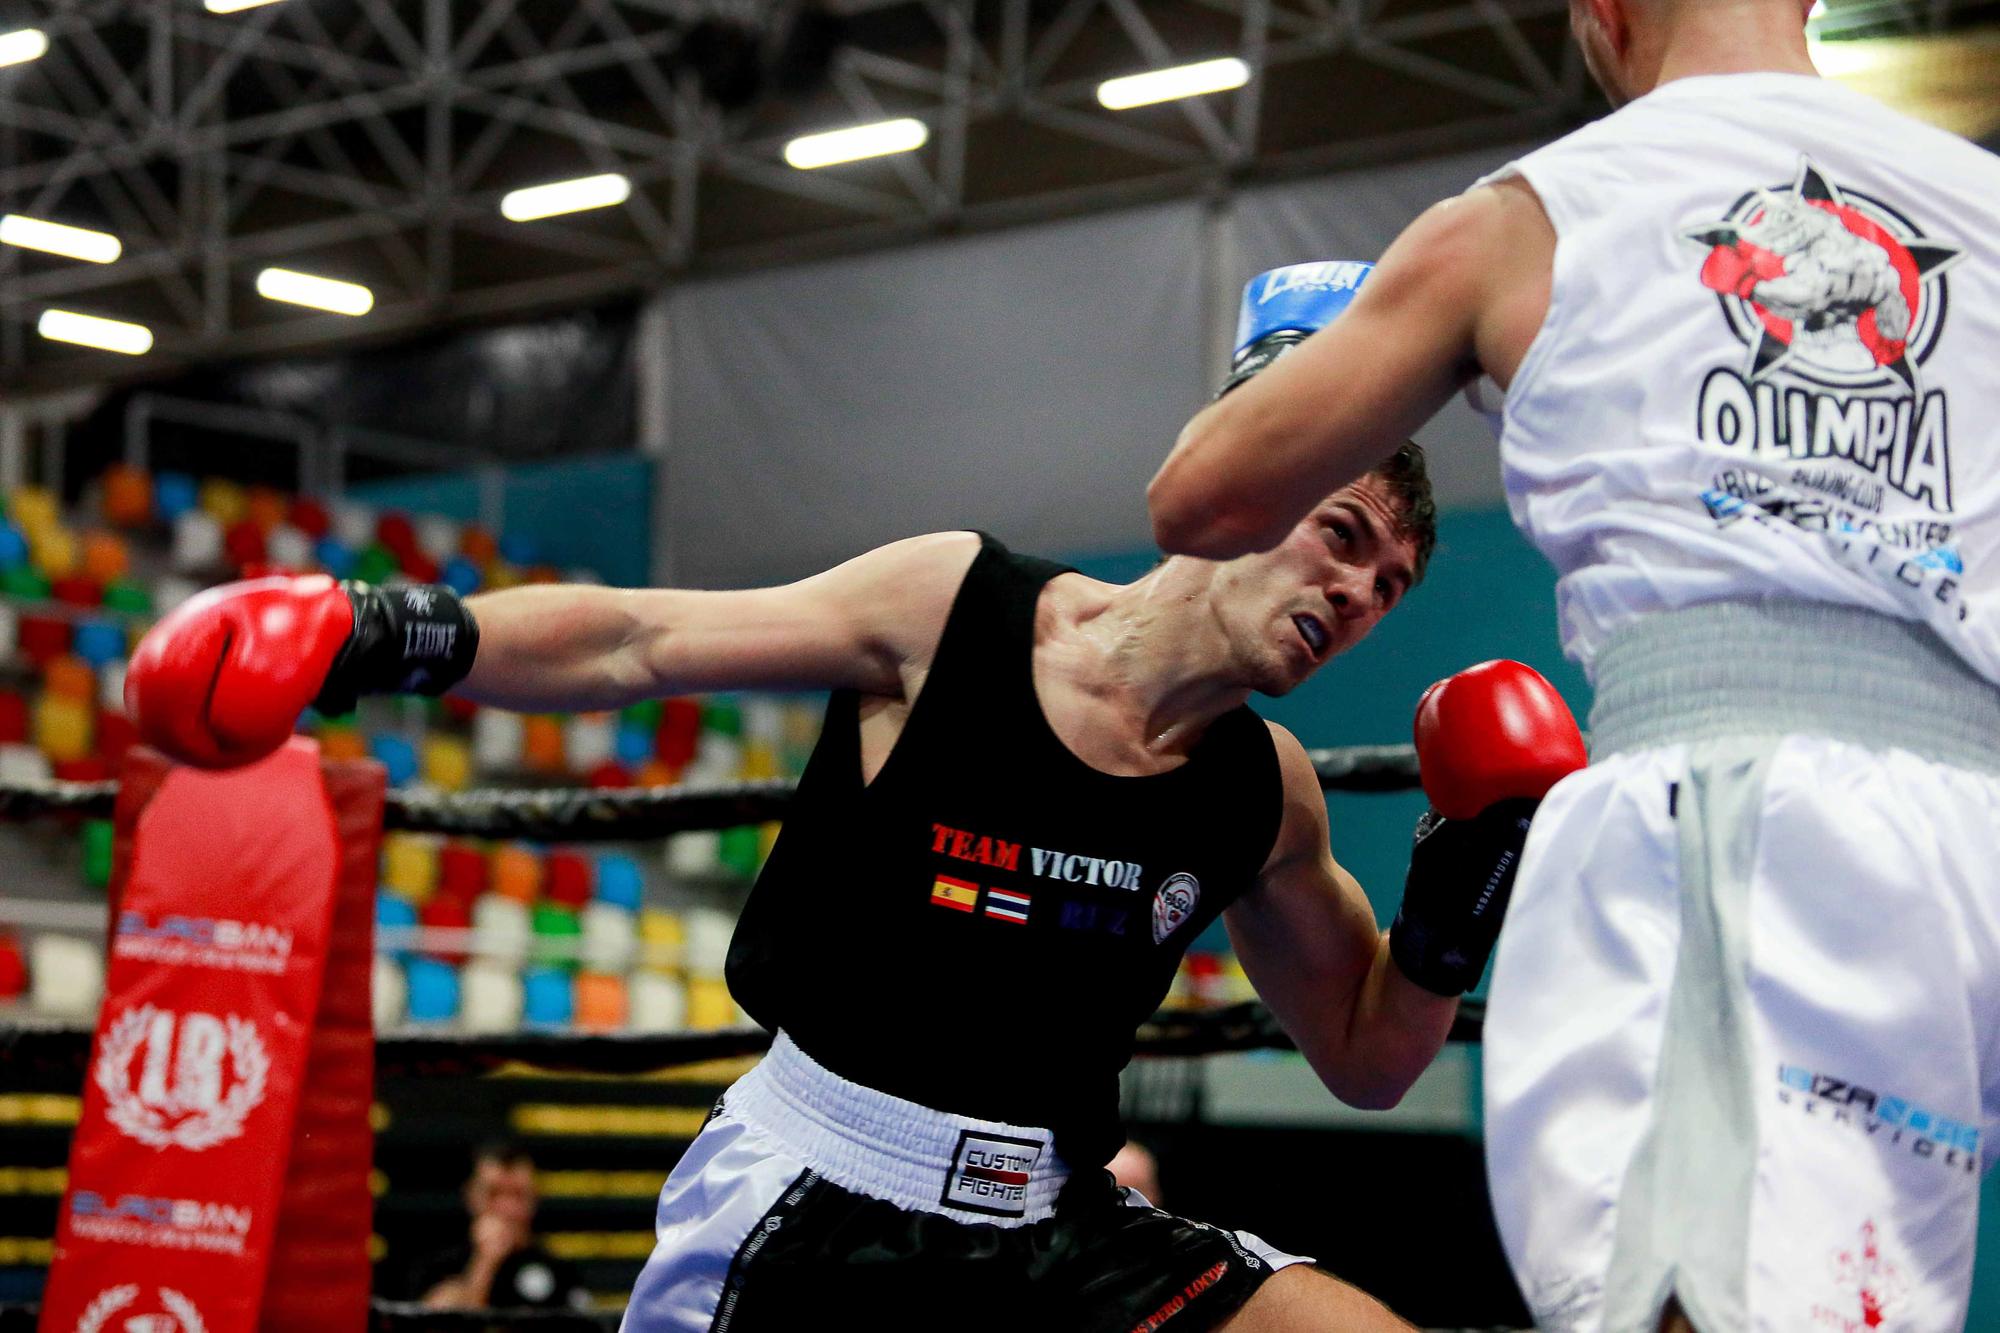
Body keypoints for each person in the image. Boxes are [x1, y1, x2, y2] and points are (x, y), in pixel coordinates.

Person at [124, 285, 1584, 1332]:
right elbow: (640, 639)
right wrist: (388, 632)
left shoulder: (1268, 792)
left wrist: (1455, 912)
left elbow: (1370, 1057)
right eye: (1343, 536)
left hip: (1058, 1224)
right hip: (818, 1202)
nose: (1356, 594)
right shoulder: (956, 609)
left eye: (1389, 584)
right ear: (1252, 477)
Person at [1146, 2, 2000, 1330]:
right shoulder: (1984, 199)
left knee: (1685, 1303)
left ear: (1602, 14)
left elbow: (1200, 496)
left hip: (1738, 820)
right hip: (1966, 847)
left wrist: (1373, 332)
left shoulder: (1544, 210)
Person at [401, 1139, 590, 1312]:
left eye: (518, 1195)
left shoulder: (560, 1272)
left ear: (534, 1198)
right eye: (494, 1194)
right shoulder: (439, 1266)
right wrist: (484, 1263)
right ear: (471, 1196)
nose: (507, 1208)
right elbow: (438, 1322)